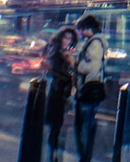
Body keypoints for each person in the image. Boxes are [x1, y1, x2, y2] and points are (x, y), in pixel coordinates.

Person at [73, 15, 107, 162]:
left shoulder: (95, 44)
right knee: (83, 126)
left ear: (87, 28)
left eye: (81, 29)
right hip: (88, 89)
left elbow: (93, 67)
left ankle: (85, 158)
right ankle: (84, 157)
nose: (80, 32)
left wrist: (77, 65)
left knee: (84, 126)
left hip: (88, 89)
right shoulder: (92, 42)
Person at [45, 26, 78, 162]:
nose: (67, 41)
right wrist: (70, 65)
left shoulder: (65, 54)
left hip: (63, 94)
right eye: (66, 38)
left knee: (58, 127)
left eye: (70, 39)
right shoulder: (56, 53)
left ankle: (55, 155)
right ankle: (52, 156)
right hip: (56, 93)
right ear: (60, 38)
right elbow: (55, 73)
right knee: (55, 127)